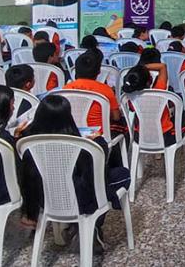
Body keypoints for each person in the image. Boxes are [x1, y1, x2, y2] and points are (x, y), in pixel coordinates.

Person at [19, 94, 130, 248]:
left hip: (45, 197)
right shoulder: (78, 143)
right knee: (123, 174)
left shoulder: (28, 142)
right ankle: (95, 224)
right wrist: (99, 141)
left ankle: (72, 227)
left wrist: (20, 133)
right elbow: (98, 164)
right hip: (81, 199)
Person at [122, 65, 185, 149]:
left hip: (140, 137)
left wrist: (138, 70)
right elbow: (163, 67)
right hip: (165, 137)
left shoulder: (130, 97)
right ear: (149, 81)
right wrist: (143, 67)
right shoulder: (160, 89)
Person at [63, 51, 127, 140]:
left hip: (72, 135)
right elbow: (116, 117)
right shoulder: (105, 90)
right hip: (98, 136)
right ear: (99, 71)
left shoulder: (66, 89)